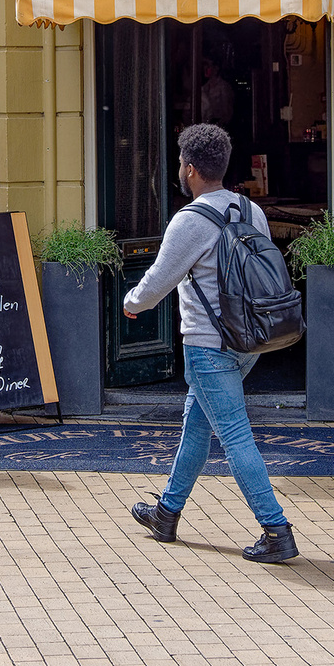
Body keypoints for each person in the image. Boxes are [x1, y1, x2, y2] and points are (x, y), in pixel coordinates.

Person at [123, 123, 299, 564]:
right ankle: (166, 513)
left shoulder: (190, 220)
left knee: (235, 435)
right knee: (197, 425)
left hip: (207, 345)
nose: (180, 170)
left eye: (182, 164)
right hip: (248, 341)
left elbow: (157, 281)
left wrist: (132, 303)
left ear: (192, 169)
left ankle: (276, 530)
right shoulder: (249, 210)